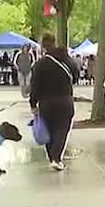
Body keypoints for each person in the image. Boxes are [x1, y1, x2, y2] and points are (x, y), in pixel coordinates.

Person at [29, 34, 79, 171]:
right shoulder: (67, 59)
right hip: (65, 99)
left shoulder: (39, 64)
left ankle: (53, 157)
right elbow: (76, 74)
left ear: (42, 46)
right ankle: (56, 158)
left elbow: (35, 86)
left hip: (46, 102)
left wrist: (33, 103)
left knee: (48, 130)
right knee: (62, 129)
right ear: (55, 42)